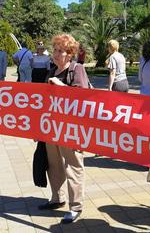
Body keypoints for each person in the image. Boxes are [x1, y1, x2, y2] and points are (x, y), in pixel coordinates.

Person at [39, 33, 89, 224]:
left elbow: (83, 97)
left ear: (70, 54)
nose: (56, 54)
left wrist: (62, 86)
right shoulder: (51, 71)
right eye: (55, 50)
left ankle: (76, 207)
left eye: (60, 51)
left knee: (74, 166)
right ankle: (57, 198)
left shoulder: (77, 70)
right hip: (52, 127)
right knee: (54, 165)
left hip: (72, 128)